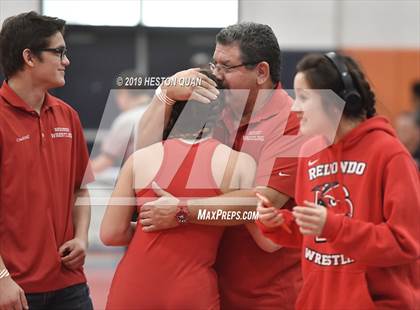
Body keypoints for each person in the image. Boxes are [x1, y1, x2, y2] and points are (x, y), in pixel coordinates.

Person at [135, 22, 302, 309]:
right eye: (215, 65)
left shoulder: (293, 122)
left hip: (266, 295)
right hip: (207, 286)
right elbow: (146, 156)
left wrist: (182, 210)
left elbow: (260, 203)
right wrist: (164, 94)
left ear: (261, 72)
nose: (216, 76)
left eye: (226, 67)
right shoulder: (216, 105)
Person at [100, 72, 279, 309]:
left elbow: (111, 234)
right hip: (190, 290)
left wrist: (148, 224)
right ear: (221, 112)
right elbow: (268, 241)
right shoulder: (239, 163)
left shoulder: (140, 159)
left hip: (133, 288)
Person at [257, 52, 420, 309]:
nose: (295, 107)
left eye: (304, 98)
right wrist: (280, 224)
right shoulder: (309, 152)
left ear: (337, 102)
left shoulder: (390, 155)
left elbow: (406, 243)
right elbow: (316, 235)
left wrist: (333, 227)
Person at [0, 11, 93, 309]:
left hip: (70, 284)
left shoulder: (68, 116)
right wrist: (1, 278)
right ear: (29, 57)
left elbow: (80, 190)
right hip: (14, 288)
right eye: (59, 52)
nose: (66, 61)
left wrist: (81, 239)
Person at [91, 71, 151, 174]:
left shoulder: (127, 119)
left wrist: (75, 174)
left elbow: (106, 160)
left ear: (123, 91)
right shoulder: (162, 112)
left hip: (142, 180)